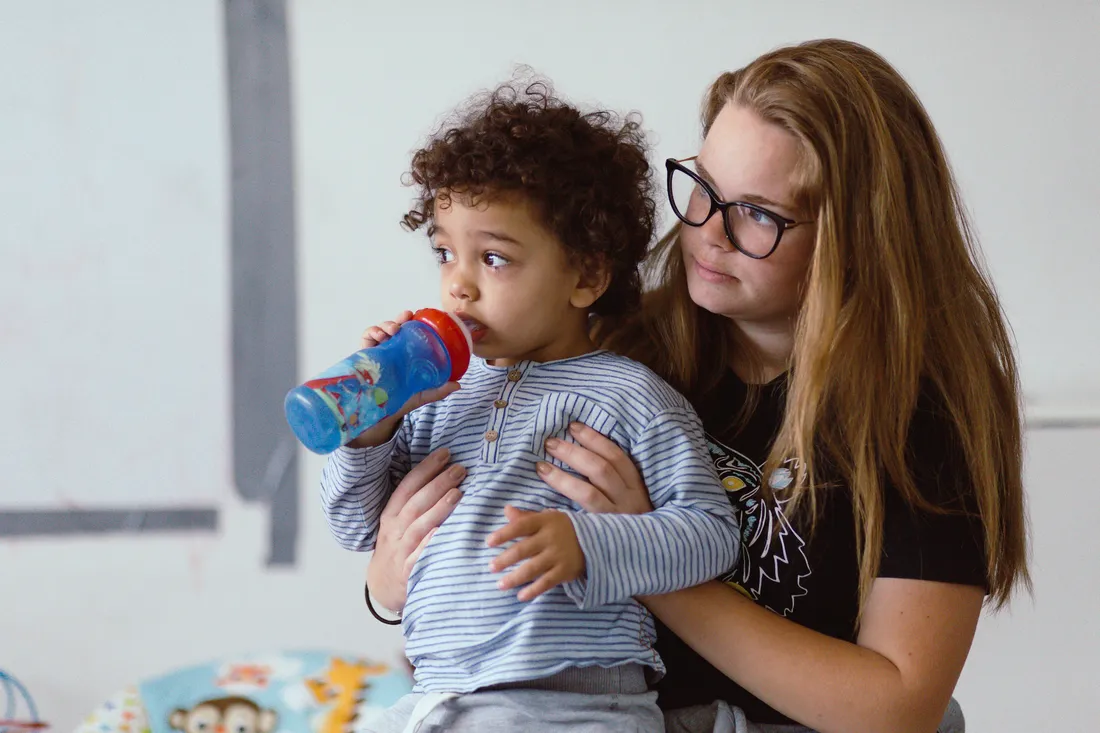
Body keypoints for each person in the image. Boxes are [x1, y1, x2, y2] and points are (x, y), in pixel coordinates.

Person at [362, 39, 1032, 733]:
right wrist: (387, 579)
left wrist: (636, 552)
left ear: (856, 240)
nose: (709, 232)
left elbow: (898, 708)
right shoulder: (620, 352)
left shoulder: (917, 415)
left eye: (759, 214)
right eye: (704, 189)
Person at [319, 79, 741, 732]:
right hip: (440, 696)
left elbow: (711, 536)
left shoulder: (631, 396)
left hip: (569, 704)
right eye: (444, 252)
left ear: (586, 277)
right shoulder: (433, 403)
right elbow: (354, 528)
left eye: (493, 258)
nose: (457, 282)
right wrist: (373, 428)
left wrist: (591, 543)